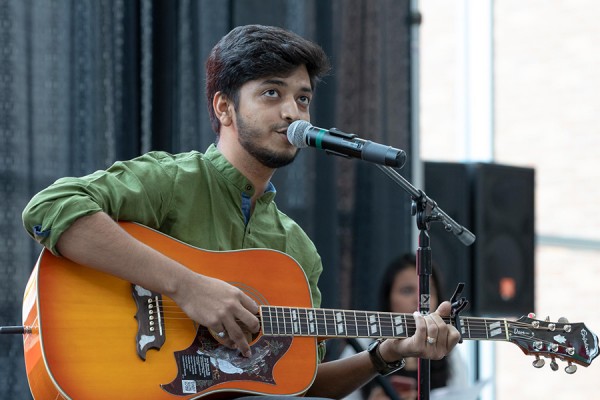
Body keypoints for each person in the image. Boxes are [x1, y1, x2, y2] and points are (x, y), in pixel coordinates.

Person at [21, 24, 460, 399]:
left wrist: (385, 354)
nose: (292, 112)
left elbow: (300, 383)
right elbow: (49, 209)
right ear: (224, 107)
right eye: (272, 93)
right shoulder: (175, 180)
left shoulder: (296, 251)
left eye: (303, 99)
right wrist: (187, 286)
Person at [354, 254, 467, 400]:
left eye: (428, 292)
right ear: (388, 298)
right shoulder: (362, 344)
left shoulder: (450, 353)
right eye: (407, 290)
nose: (419, 300)